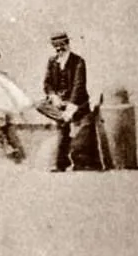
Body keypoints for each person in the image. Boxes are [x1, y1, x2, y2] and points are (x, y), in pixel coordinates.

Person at [41, 31, 96, 171]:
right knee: (39, 104)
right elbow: (47, 84)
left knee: (81, 131)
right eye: (56, 47)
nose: (59, 49)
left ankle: (80, 163)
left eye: (61, 46)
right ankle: (61, 163)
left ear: (67, 44)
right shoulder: (52, 62)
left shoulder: (78, 61)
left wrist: (70, 108)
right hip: (60, 103)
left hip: (77, 103)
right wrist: (54, 96)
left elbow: (79, 86)